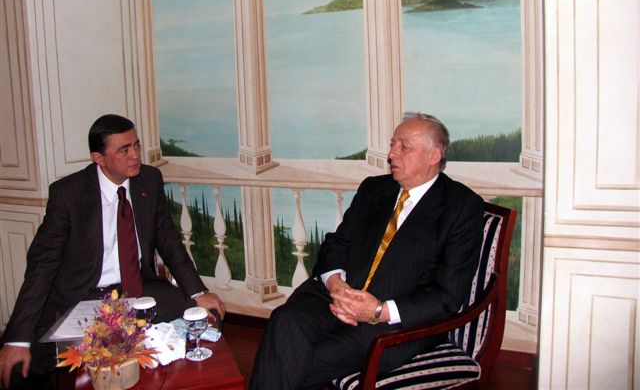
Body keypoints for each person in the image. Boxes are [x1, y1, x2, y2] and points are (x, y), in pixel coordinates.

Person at [249, 112, 485, 390]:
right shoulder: (375, 189)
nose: (392, 153)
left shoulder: (461, 207)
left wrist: (376, 310)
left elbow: (447, 295)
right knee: (285, 320)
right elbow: (337, 243)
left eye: (404, 146)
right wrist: (336, 285)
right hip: (336, 296)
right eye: (393, 144)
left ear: (434, 156)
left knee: (301, 358)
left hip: (392, 323)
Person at [0, 114, 225, 389]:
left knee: (203, 318)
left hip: (138, 290)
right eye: (124, 150)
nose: (135, 155)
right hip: (80, 296)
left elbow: (169, 241)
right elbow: (42, 266)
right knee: (18, 367)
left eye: (136, 145)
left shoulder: (149, 180)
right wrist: (17, 340)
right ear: (99, 158)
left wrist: (198, 292)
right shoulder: (68, 195)